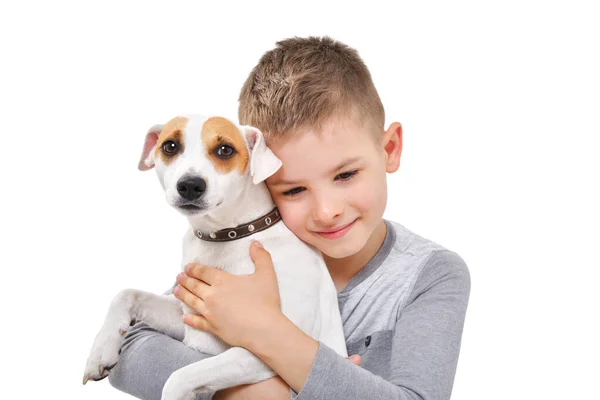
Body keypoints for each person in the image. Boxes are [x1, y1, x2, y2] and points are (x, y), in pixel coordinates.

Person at [109, 36, 470, 400]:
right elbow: (130, 348)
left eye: (345, 175)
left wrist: (267, 333)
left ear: (389, 149)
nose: (327, 211)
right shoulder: (248, 251)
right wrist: (254, 391)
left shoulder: (431, 275)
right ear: (257, 179)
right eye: (294, 190)